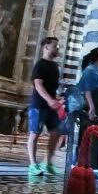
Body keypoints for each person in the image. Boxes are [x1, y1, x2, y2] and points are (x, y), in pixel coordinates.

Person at [26, 36, 62, 177]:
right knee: (35, 133)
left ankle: (48, 163)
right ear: (46, 47)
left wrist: (57, 98)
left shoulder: (54, 66)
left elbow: (52, 86)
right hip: (39, 104)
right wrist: (49, 100)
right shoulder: (40, 65)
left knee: (56, 131)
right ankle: (33, 165)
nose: (57, 48)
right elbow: (38, 85)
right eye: (55, 46)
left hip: (51, 105)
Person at [73, 47, 98, 171]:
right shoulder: (90, 70)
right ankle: (85, 165)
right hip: (94, 107)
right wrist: (92, 107)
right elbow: (87, 89)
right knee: (90, 137)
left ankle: (94, 166)